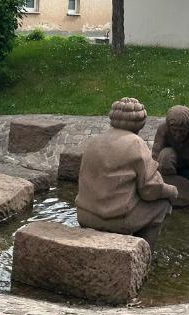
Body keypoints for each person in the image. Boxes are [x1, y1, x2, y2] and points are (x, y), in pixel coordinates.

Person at [76, 98, 179, 247]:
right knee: (163, 204)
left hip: (84, 214)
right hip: (113, 220)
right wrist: (171, 191)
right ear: (140, 123)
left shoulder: (94, 141)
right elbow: (149, 190)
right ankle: (142, 253)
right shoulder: (136, 143)